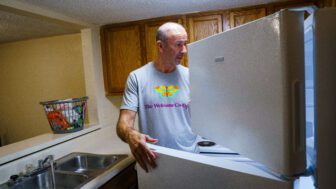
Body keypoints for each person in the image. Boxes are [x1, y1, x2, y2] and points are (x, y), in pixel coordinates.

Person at [116, 22, 200, 172]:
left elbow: (207, 117)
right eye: (179, 45)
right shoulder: (137, 77)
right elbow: (124, 123)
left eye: (185, 44)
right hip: (154, 161)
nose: (185, 50)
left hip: (191, 159)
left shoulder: (192, 76)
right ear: (160, 46)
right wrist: (130, 134)